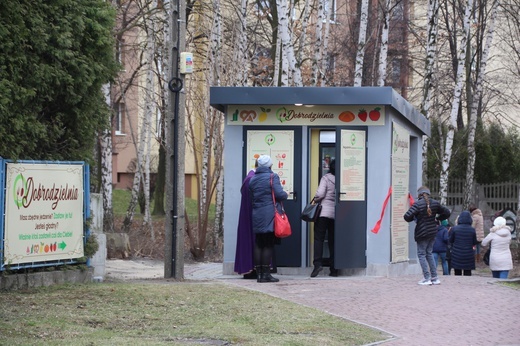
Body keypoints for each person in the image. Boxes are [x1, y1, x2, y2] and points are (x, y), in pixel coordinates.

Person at [249, 154, 288, 283]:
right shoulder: (272, 177)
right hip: (269, 213)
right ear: (270, 165)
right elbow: (279, 194)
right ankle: (266, 274)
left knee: (259, 243)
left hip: (257, 213)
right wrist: (285, 194)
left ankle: (259, 274)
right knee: (268, 244)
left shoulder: (253, 179)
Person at [404, 186, 451, 285]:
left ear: (419, 194)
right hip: (433, 232)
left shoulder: (417, 204)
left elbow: (407, 216)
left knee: (421, 254)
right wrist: (438, 218)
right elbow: (447, 212)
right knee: (429, 253)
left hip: (421, 233)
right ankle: (434, 277)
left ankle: (426, 278)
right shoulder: (435, 203)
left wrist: (416, 218)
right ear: (428, 193)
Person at [311, 159, 336, 277]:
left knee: (319, 239)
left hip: (323, 213)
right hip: (336, 214)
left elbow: (320, 194)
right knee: (333, 241)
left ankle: (317, 264)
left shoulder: (326, 178)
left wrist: (315, 199)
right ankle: (334, 268)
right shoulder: (342, 179)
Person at [234, 160, 257, 279]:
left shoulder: (248, 179)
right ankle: (255, 269)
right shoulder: (252, 180)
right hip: (256, 216)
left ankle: (249, 269)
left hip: (249, 216)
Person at [449, 210, 477, 276]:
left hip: (456, 253)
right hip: (468, 254)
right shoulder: (472, 230)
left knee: (457, 272)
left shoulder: (455, 228)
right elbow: (474, 242)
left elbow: (450, 240)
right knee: (467, 272)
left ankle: (458, 285)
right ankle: (467, 285)